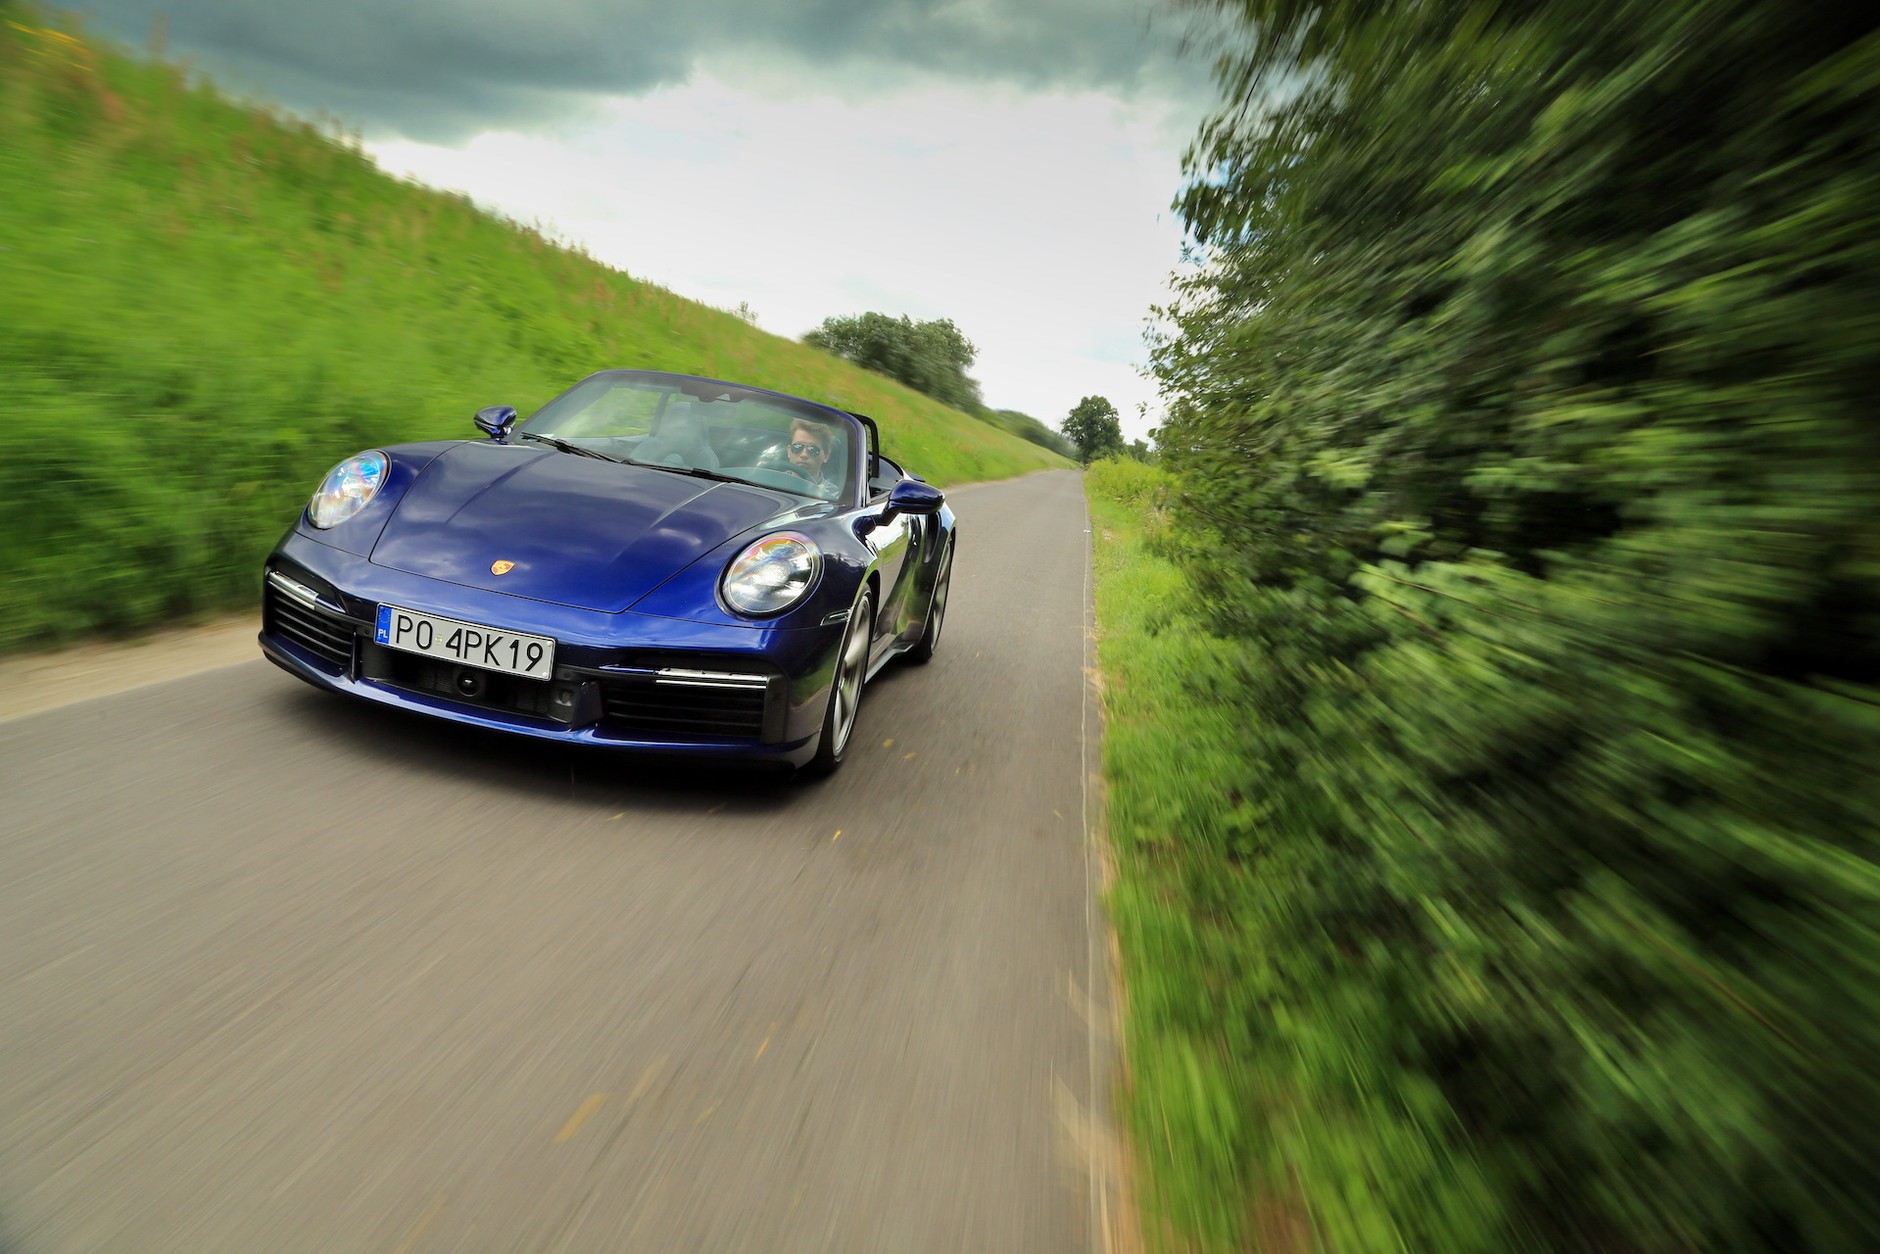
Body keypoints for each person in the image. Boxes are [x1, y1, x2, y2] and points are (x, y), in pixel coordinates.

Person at [779, 418, 837, 487]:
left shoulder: (833, 495)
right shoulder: (771, 481)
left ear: (826, 456)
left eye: (812, 449)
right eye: (797, 447)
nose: (804, 454)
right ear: (788, 451)